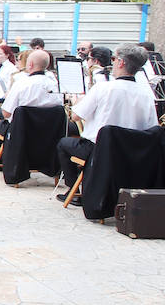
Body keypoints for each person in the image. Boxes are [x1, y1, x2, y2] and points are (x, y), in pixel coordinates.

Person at [56, 44, 157, 201]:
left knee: (64, 143)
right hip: (133, 152)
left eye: (114, 59)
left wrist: (78, 101)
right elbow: (152, 128)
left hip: (99, 149)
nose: (113, 62)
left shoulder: (103, 88)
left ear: (121, 62)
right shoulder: (147, 93)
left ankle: (74, 189)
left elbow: (75, 116)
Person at [0, 50, 62, 148]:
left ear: (30, 64)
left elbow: (6, 113)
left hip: (22, 132)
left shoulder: (21, 83)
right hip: (49, 132)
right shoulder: (55, 85)